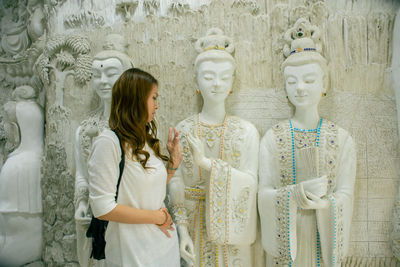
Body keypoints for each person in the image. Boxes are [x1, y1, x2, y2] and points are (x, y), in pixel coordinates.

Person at [258, 18, 356, 267]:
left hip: (322, 239)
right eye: (292, 82)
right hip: (286, 243)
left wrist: (326, 204)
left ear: (325, 84)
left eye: (309, 80)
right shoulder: (272, 138)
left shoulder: (342, 139)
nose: (300, 88)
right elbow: (264, 193)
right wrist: (294, 195)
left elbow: (345, 194)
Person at [168, 28, 259, 267]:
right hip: (193, 224)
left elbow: (250, 183)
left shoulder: (246, 131)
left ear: (232, 82)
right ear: (196, 80)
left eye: (224, 77)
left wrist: (207, 165)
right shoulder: (184, 128)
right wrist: (182, 230)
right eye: (208, 77)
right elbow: (176, 180)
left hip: (231, 229)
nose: (216, 84)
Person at [88, 68, 181, 267]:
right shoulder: (108, 143)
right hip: (131, 253)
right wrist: (157, 217)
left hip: (163, 248)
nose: (157, 105)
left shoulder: (145, 140)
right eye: (154, 98)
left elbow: (147, 191)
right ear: (136, 99)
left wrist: (172, 165)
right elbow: (102, 208)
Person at [74, 34, 133, 267]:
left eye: (111, 74)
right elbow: (82, 173)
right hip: (97, 214)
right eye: (97, 75)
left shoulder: (140, 129)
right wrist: (81, 202)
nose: (103, 81)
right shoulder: (85, 129)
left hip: (130, 216)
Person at [0, 85, 44, 266]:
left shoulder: (19, 165)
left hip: (17, 252)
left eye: (4, 121)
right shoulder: (20, 161)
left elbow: (17, 231)